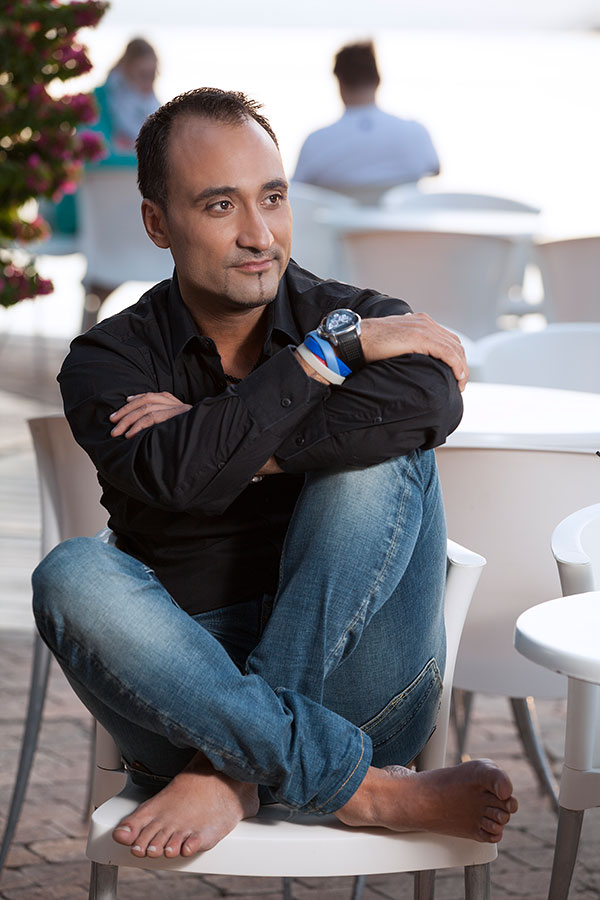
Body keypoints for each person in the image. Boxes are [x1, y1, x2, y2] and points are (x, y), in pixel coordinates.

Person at [32, 87, 517, 861]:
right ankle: (362, 791)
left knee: (375, 462)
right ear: (158, 223)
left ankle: (229, 770)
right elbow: (177, 476)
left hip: (366, 690)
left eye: (273, 198)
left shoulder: (359, 313)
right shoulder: (108, 360)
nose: (259, 235)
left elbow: (430, 399)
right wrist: (325, 362)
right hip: (179, 695)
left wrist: (226, 431)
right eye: (220, 205)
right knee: (71, 574)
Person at [293, 40, 440, 198]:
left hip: (338, 215)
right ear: (378, 80)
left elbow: (296, 190)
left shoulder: (315, 142)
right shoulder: (416, 133)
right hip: (398, 215)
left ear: (340, 83)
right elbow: (435, 169)